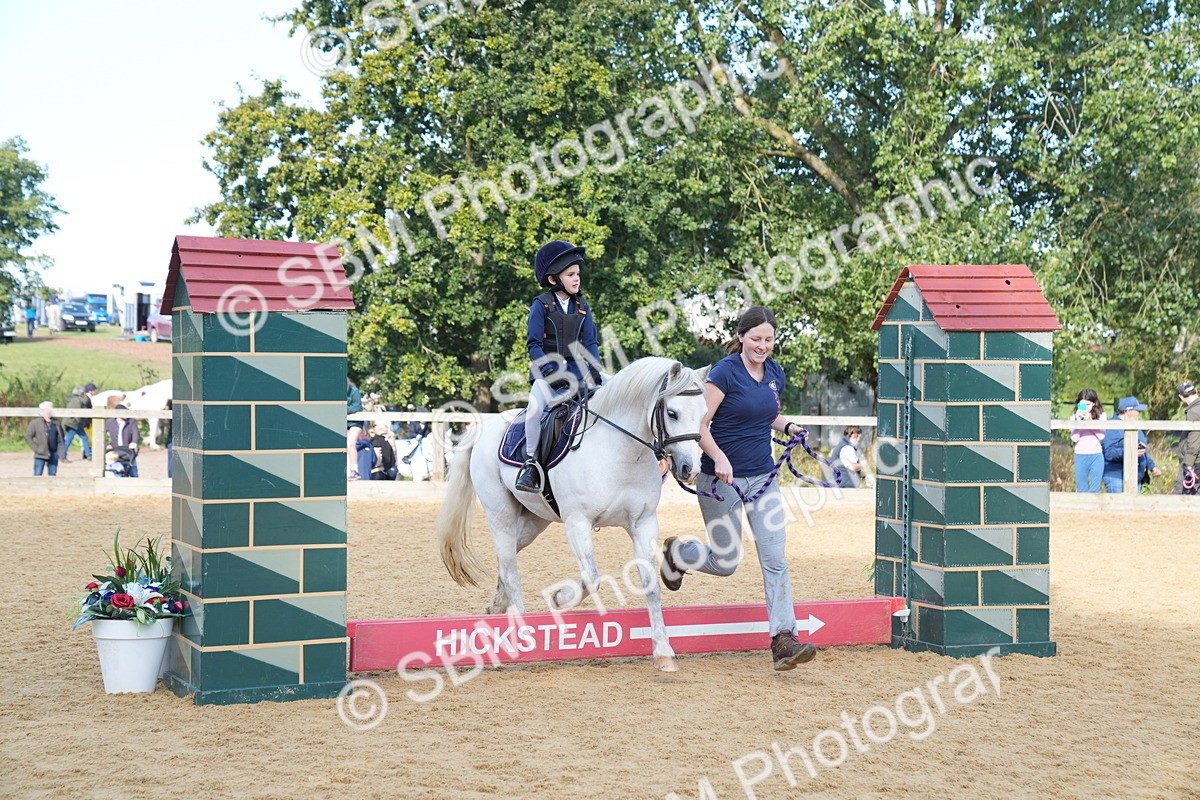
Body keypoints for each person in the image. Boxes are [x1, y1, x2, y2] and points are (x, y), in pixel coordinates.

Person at [659, 306, 816, 671]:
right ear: (742, 337)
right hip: (720, 480)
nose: (763, 346)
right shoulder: (723, 372)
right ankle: (681, 554)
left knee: (775, 559)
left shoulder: (774, 373)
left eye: (769, 339)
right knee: (726, 562)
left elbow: (765, 413)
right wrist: (718, 457)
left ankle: (783, 640)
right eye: (756, 339)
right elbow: (700, 423)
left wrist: (788, 425)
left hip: (763, 478)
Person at [515, 240, 603, 493]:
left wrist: (595, 367)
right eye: (571, 275)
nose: (577, 279)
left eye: (578, 274)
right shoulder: (540, 305)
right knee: (534, 407)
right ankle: (531, 464)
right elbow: (534, 345)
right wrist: (551, 373)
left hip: (577, 369)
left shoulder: (582, 306)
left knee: (615, 386)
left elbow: (591, 341)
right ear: (554, 279)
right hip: (547, 370)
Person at [1101, 396, 1161, 493]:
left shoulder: (1135, 425)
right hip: (1116, 476)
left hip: (1135, 476)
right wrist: (1130, 453)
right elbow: (1109, 453)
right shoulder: (1112, 426)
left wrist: (1152, 466)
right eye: (1137, 410)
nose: (1139, 413)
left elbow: (1142, 449)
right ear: (1128, 411)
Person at [1069, 388, 1105, 493]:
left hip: (1096, 455)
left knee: (1095, 489)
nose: (1085, 408)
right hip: (1080, 455)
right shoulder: (1074, 417)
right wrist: (1079, 422)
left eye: (1088, 405)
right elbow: (1074, 438)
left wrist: (1090, 422)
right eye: (1082, 405)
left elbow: (1102, 436)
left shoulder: (1101, 416)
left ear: (1094, 404)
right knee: (1081, 489)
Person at [1172, 380, 1200, 495]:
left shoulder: (1193, 412)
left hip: (1195, 460)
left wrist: (1188, 465)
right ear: (1196, 391)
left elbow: (1194, 441)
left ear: (1181, 397)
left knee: (1181, 494)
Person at [25, 401, 66, 476]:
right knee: (37, 474)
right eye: (50, 409)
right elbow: (28, 437)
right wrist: (37, 448)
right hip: (40, 454)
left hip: (54, 454)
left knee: (52, 475)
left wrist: (60, 452)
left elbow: (61, 438)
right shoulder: (35, 423)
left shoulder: (56, 423)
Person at [105, 404, 140, 478]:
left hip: (127, 448)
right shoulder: (109, 422)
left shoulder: (131, 422)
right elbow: (100, 433)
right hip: (114, 448)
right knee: (109, 464)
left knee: (132, 465)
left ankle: (135, 478)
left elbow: (135, 433)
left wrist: (134, 442)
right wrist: (106, 443)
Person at [63, 385, 94, 462]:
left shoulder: (75, 399)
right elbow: (77, 413)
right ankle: (63, 455)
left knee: (84, 438)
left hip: (75, 423)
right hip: (74, 424)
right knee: (69, 440)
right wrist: (80, 421)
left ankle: (88, 455)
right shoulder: (77, 400)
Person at [346, 378, 364, 480]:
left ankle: (355, 470)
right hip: (344, 420)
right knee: (343, 446)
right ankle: (347, 470)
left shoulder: (354, 391)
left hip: (356, 422)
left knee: (351, 444)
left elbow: (357, 407)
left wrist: (344, 408)